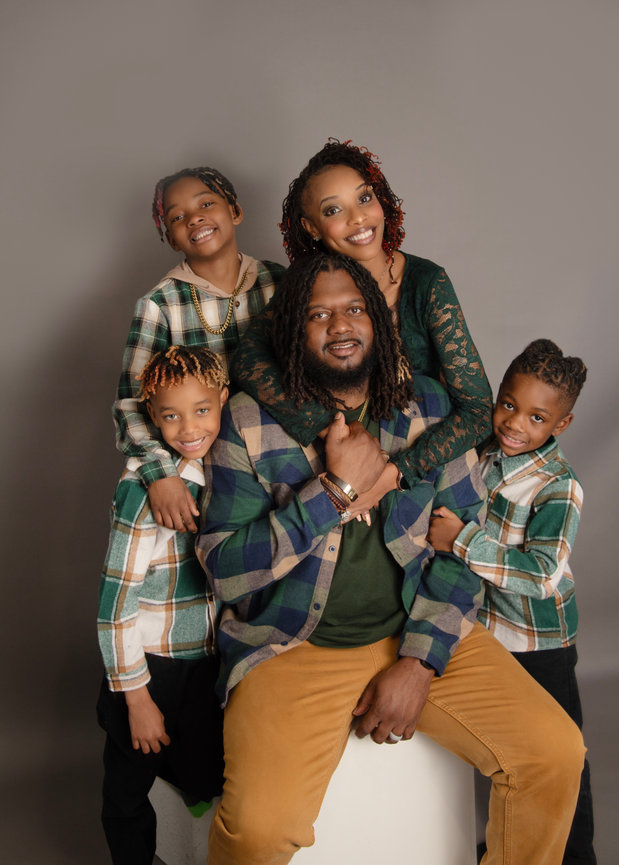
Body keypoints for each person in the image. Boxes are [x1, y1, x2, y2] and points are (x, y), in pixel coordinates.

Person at [197, 253, 584, 865]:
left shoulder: (431, 409)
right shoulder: (246, 423)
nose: (341, 325)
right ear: (294, 330)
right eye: (318, 314)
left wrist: (421, 663)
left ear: (377, 320)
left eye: (354, 309)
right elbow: (223, 568)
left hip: (418, 625)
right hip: (293, 645)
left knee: (555, 752)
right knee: (258, 829)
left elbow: (461, 546)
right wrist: (332, 493)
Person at [231, 139, 493, 512]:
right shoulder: (306, 287)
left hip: (417, 476)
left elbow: (479, 411)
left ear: (382, 199)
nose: (357, 218)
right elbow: (247, 359)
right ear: (312, 227)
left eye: (364, 198)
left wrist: (391, 476)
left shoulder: (426, 283)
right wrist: (327, 428)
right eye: (334, 209)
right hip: (326, 467)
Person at [429, 338, 596, 864]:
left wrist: (460, 540)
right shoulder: (487, 452)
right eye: (508, 404)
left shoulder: (557, 487)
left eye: (536, 418)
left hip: (539, 641)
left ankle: (575, 854)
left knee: (561, 755)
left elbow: (542, 575)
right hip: (487, 631)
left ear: (560, 426)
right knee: (506, 745)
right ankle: (509, 837)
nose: (515, 424)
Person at [98, 345, 229, 865]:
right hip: (149, 668)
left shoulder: (224, 471)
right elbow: (115, 607)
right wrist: (137, 699)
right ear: (151, 415)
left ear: (223, 401)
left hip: (204, 662)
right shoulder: (141, 492)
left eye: (202, 410)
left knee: (203, 776)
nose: (188, 427)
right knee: (127, 792)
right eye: (170, 415)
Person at [113, 165, 285, 535]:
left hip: (280, 455)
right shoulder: (160, 304)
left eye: (206, 203)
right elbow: (131, 403)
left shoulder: (280, 283)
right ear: (171, 238)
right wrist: (161, 475)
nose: (195, 219)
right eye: (178, 217)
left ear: (235, 211)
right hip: (207, 466)